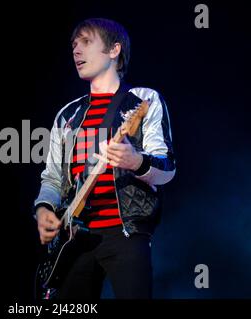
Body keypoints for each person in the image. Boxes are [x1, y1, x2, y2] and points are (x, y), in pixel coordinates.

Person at [33, 18, 176, 299]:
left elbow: (167, 168)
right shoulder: (68, 115)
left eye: (86, 43)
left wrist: (137, 162)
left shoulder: (143, 100)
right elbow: (52, 178)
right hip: (75, 240)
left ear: (114, 50)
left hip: (127, 235)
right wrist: (43, 210)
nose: (75, 51)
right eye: (74, 45)